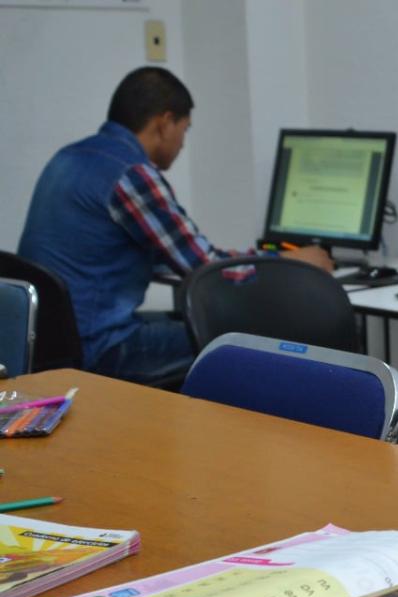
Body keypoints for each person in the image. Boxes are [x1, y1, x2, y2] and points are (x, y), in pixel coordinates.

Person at [17, 66, 332, 384]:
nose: (182, 143)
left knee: (192, 321)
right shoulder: (131, 174)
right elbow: (210, 269)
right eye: (185, 129)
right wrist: (292, 262)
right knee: (245, 338)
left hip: (48, 344)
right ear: (165, 123)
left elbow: (107, 252)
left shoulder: (69, 157)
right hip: (101, 350)